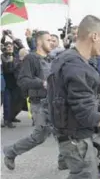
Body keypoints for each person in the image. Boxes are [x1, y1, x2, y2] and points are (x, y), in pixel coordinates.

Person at [48, 15, 100, 179]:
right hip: (76, 139)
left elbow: (67, 94)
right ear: (94, 36)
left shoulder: (64, 59)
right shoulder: (78, 67)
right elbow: (87, 116)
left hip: (67, 134)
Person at [2, 31, 69, 171]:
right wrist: (42, 83)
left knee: (63, 130)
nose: (52, 42)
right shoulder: (31, 58)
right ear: (39, 42)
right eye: (48, 40)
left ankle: (64, 160)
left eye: (52, 40)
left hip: (54, 102)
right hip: (39, 103)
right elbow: (22, 80)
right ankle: (10, 152)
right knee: (39, 136)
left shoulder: (51, 59)